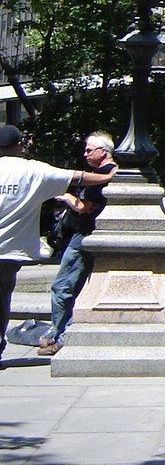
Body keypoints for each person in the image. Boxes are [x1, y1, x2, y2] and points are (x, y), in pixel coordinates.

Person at [0, 125, 115, 366]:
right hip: (8, 252)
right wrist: (108, 177)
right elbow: (77, 177)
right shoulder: (33, 170)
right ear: (19, 145)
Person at [40, 131, 118, 357]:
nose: (85, 154)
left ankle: (61, 336)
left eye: (89, 150)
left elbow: (86, 207)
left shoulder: (103, 174)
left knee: (63, 286)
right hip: (93, 237)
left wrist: (67, 198)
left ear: (104, 152)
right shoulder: (114, 172)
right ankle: (61, 334)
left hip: (83, 237)